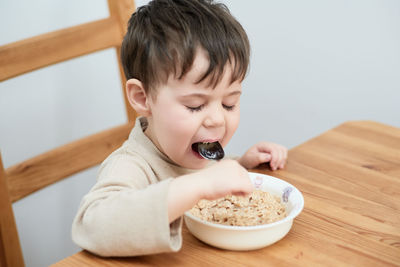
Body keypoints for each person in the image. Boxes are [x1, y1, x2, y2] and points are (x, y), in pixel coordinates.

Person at [72, 0, 287, 257]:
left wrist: (243, 165)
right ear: (143, 98)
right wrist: (198, 186)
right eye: (195, 105)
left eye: (229, 103)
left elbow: (210, 176)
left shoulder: (193, 149)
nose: (217, 119)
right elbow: (93, 227)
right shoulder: (131, 166)